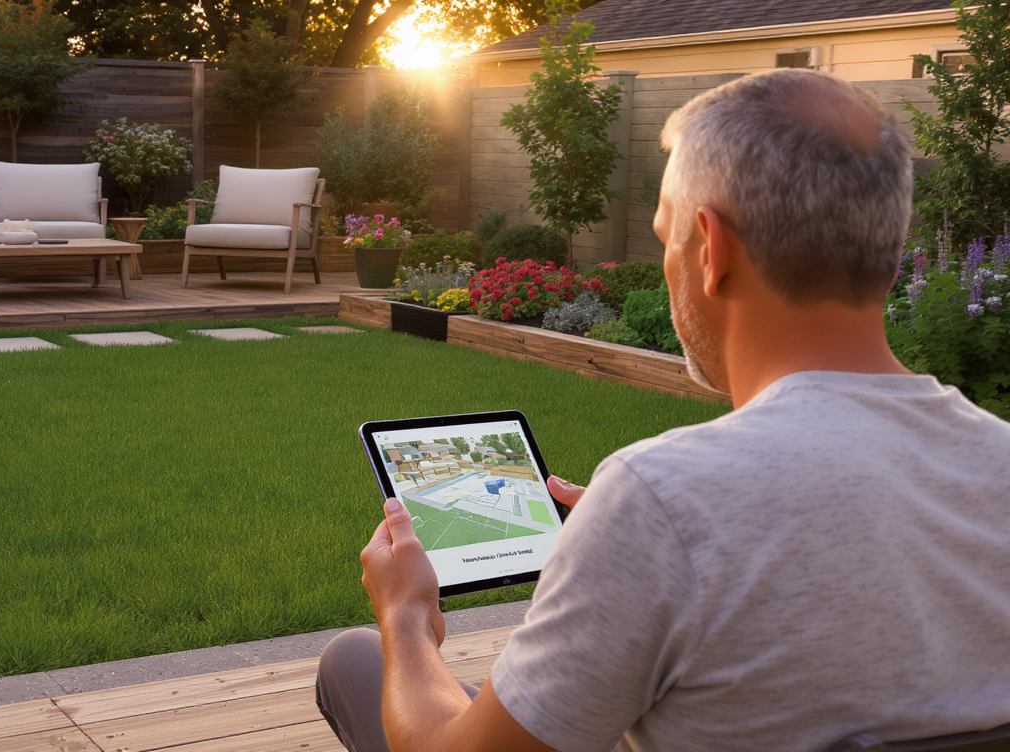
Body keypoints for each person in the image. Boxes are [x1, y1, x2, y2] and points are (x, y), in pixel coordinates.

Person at [315, 68, 1010, 752]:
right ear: (889, 252)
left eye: (664, 235)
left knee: (356, 658)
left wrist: (406, 614)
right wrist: (618, 551)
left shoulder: (661, 502)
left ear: (712, 249)